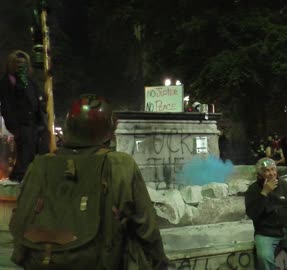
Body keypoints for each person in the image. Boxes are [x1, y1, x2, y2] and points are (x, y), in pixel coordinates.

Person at [9, 95, 169, 270]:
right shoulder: (119, 164)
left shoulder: (40, 164)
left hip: (39, 260)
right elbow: (146, 226)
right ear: (109, 131)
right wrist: (161, 262)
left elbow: (18, 218)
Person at [245, 157, 287, 270]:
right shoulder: (253, 189)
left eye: (273, 169)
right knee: (264, 257)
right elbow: (252, 214)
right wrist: (264, 193)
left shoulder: (285, 185)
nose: (271, 173)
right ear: (260, 174)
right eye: (266, 170)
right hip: (266, 233)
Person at [0, 50, 49, 181]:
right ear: (12, 64)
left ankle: (33, 179)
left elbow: (39, 98)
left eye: (23, 63)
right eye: (18, 63)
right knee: (24, 155)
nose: (21, 65)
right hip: (22, 125)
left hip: (36, 124)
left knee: (37, 153)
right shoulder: (8, 82)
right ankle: (20, 179)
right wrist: (14, 127)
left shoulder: (30, 81)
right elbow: (6, 106)